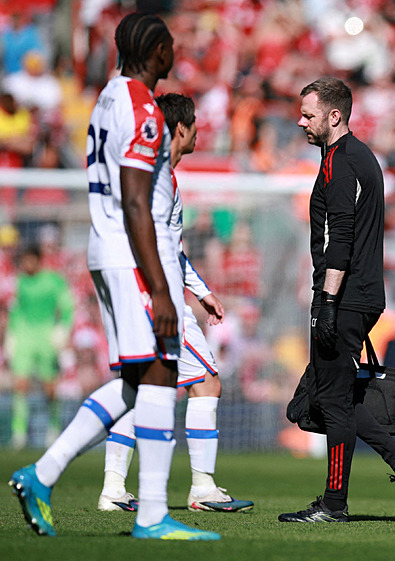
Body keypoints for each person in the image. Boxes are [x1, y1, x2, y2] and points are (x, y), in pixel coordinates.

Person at [8, 12, 219, 540]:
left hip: (106, 250)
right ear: (156, 51)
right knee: (160, 375)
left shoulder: (106, 97)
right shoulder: (144, 108)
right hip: (131, 256)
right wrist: (162, 288)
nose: (174, 52)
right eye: (169, 45)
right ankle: (150, 514)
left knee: (136, 381)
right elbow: (134, 200)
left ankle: (43, 474)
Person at [279, 77, 395, 523]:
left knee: (332, 401)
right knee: (334, 394)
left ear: (334, 115)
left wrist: (326, 302)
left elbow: (339, 237)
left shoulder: (340, 163)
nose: (300, 121)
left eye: (308, 114)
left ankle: (334, 503)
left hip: (343, 296)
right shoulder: (360, 158)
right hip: (361, 294)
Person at [96, 93, 253, 514]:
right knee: (205, 382)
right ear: (181, 130)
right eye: (196, 123)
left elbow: (167, 246)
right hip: (156, 295)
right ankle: (201, 488)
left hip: (140, 290)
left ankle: (113, 487)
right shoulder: (158, 178)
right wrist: (172, 294)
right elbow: (153, 245)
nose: (201, 130)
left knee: (139, 388)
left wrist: (201, 291)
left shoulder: (152, 175)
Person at [5, 244, 74, 449]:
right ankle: (19, 433)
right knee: (20, 385)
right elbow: (15, 310)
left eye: (29, 260)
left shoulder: (53, 281)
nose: (26, 264)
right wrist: (11, 335)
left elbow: (67, 307)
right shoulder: (20, 282)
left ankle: (53, 428)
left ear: (37, 259)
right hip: (24, 336)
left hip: (46, 336)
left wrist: (62, 330)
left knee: (49, 386)